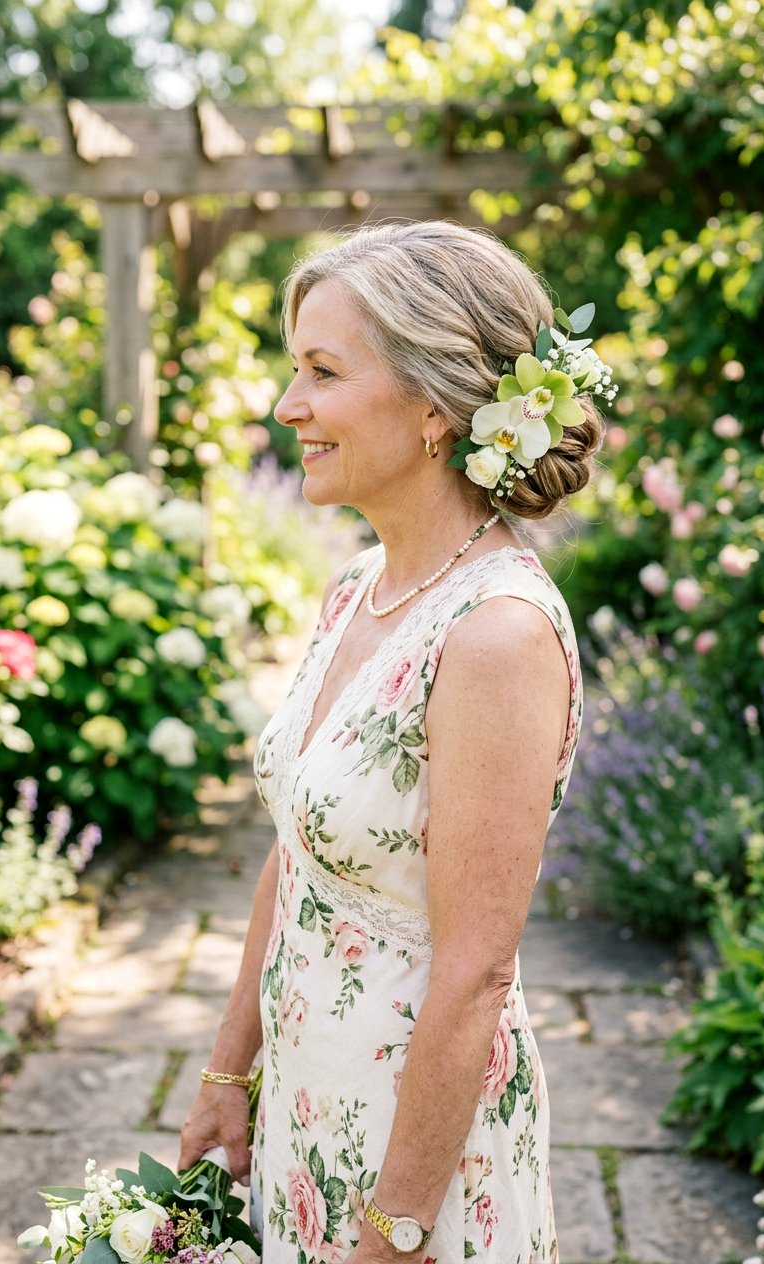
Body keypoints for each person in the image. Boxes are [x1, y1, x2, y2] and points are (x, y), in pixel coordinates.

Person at [179, 220, 609, 1263]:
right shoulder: (353, 594)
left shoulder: (494, 632)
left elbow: (474, 971)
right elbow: (297, 848)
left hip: (412, 1156)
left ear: (433, 406)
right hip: (307, 1107)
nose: (288, 407)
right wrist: (230, 1070)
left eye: (321, 372)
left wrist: (395, 1232)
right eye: (295, 370)